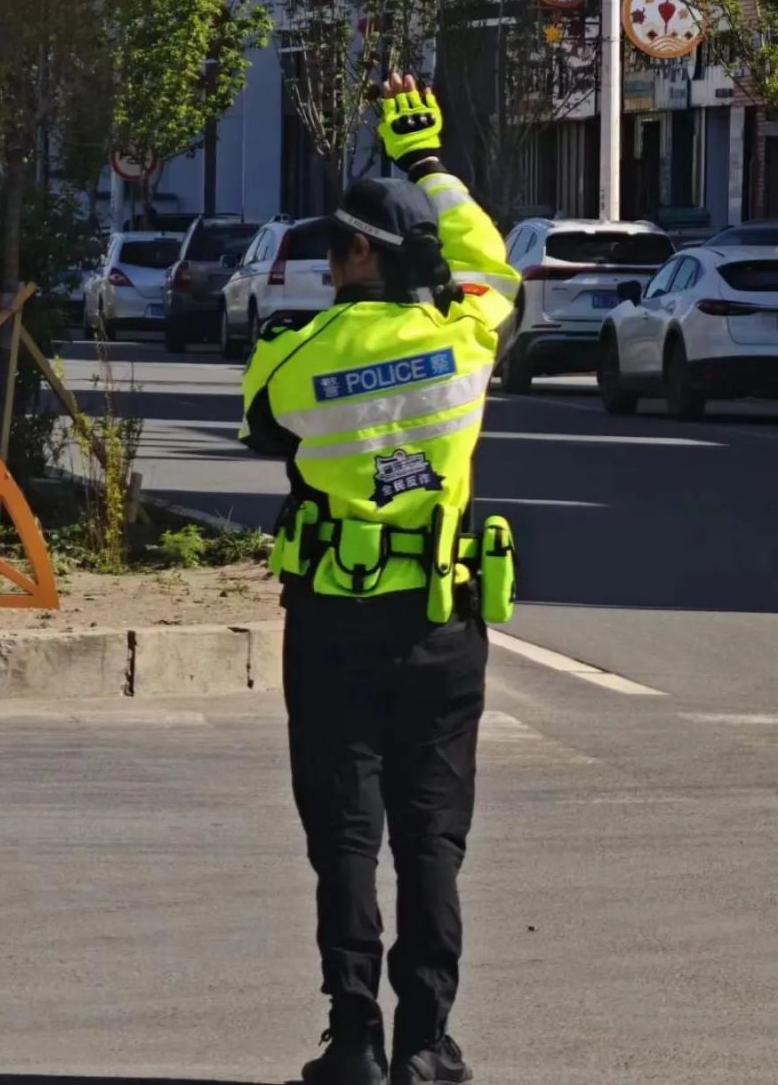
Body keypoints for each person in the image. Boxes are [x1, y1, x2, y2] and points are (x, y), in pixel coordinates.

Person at [240, 74, 521, 1085]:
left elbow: (267, 433)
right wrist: (428, 161)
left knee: (348, 838)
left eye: (335, 244)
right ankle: (427, 1045)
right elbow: (491, 263)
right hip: (442, 629)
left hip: (331, 631)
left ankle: (354, 1039)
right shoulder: (469, 336)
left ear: (362, 254)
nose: (324, 260)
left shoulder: (293, 354)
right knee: (432, 843)